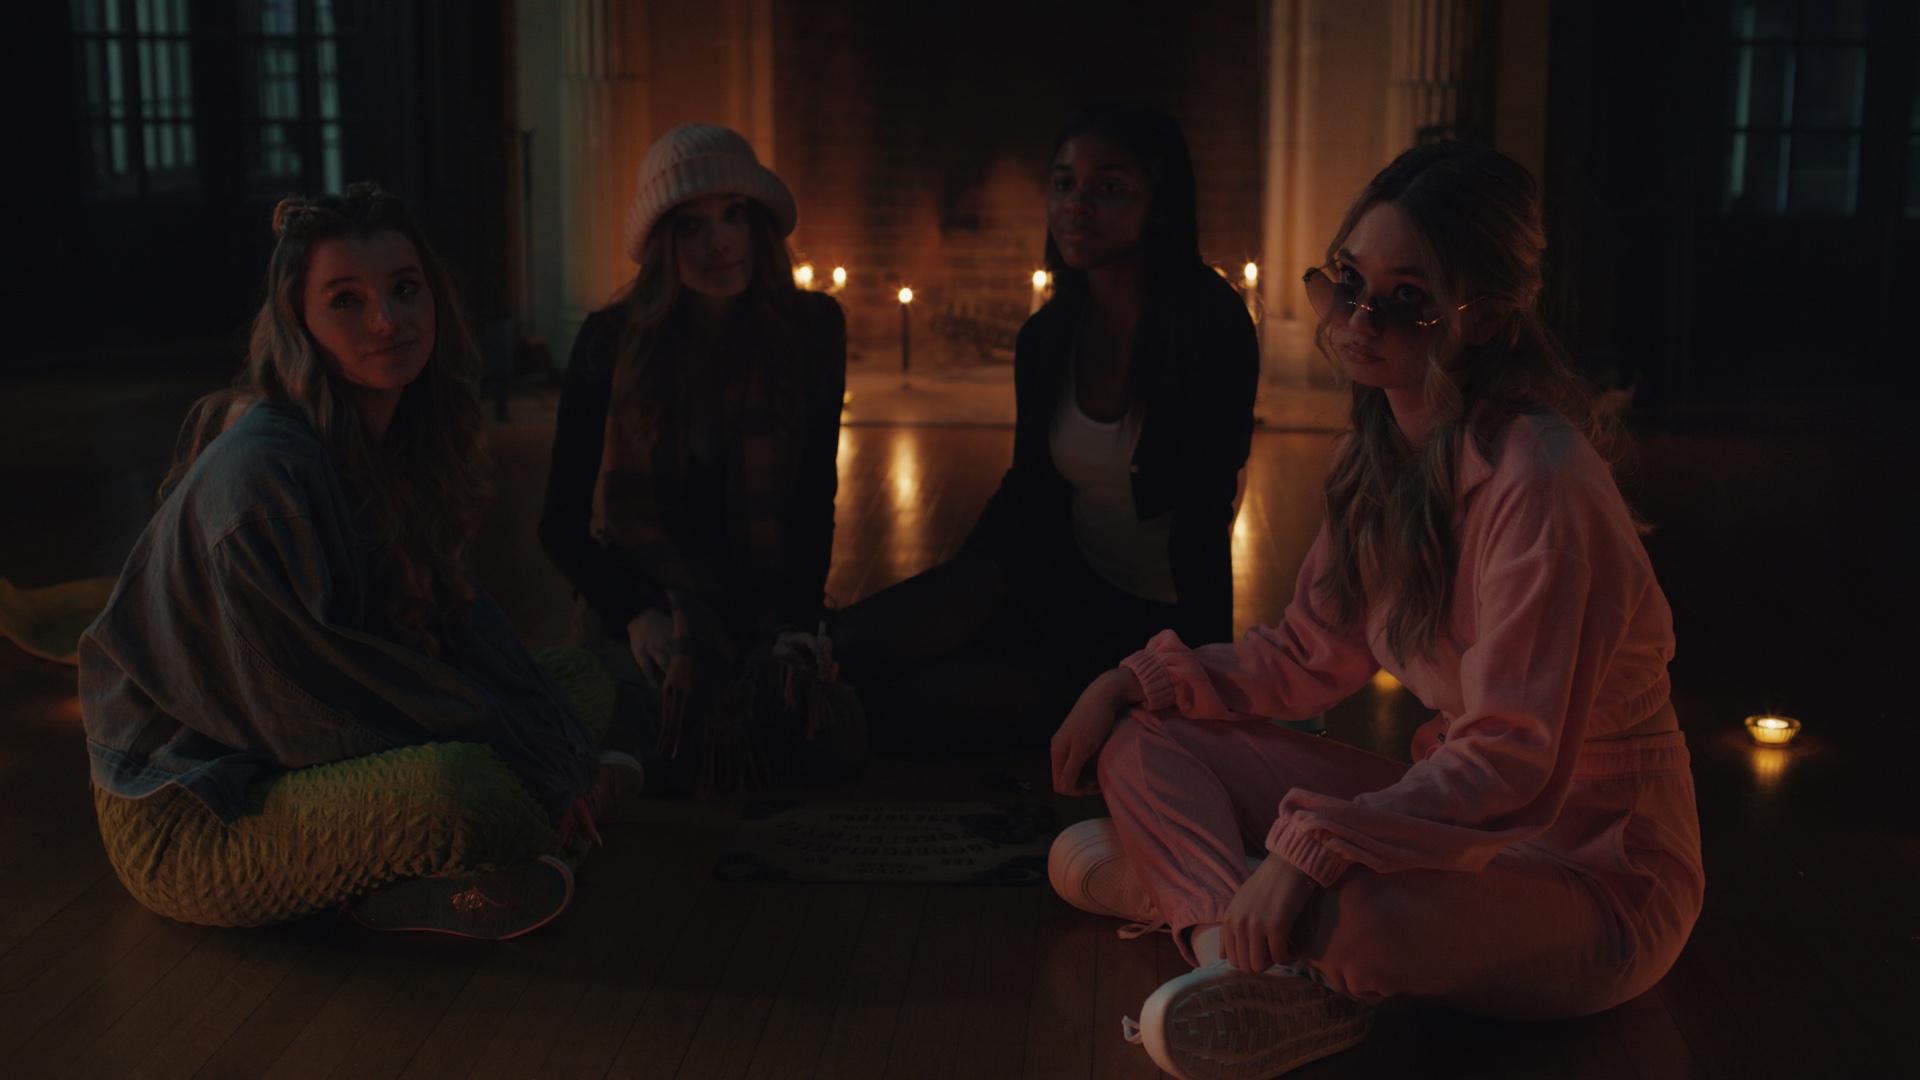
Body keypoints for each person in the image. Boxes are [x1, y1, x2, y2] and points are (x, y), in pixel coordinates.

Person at [1047, 142, 1704, 1079]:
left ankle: (1220, 909)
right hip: (1463, 834)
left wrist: (1312, 852)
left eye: (1406, 298)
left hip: (1592, 870)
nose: (1359, 319)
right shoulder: (1380, 451)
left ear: (1484, 317)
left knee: (1349, 915)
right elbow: (1303, 657)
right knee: (1143, 739)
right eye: (1347, 280)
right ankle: (1240, 953)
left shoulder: (1542, 482)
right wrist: (1130, 680)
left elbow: (1513, 755)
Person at [81, 184, 610, 939]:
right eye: (345, 301)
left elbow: (458, 618)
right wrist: (543, 764)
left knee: (574, 679)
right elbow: (324, 708)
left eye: (404, 289)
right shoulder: (264, 484)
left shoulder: (391, 435)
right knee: (464, 782)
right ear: (299, 322)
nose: (387, 322)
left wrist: (548, 749)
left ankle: (515, 846)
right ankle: (489, 854)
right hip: (201, 803)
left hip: (302, 760)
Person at [831, 101, 1260, 754]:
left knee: (911, 705)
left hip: (1143, 631)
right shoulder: (1048, 336)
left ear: (1162, 201)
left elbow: (1204, 519)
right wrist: (962, 595)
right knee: (858, 647)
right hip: (1054, 581)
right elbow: (1026, 486)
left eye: (1109, 187)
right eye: (1064, 184)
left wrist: (1200, 686)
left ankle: (796, 714)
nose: (1076, 205)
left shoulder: (1211, 328)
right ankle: (776, 680)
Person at [538, 123, 852, 792]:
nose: (720, 242)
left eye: (735, 215)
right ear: (660, 246)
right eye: (690, 226)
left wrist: (798, 624)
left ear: (760, 225)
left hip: (762, 597)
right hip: (651, 599)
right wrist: (636, 613)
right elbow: (558, 524)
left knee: (820, 738)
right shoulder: (609, 341)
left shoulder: (812, 330)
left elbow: (810, 504)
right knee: (624, 715)